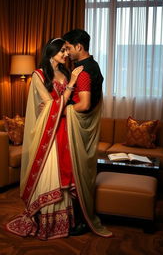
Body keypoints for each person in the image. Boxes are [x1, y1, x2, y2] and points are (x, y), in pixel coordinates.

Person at [6, 38, 84, 240]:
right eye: (63, 51)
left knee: (65, 172)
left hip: (65, 128)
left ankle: (64, 223)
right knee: (50, 172)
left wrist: (62, 102)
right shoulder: (38, 75)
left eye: (67, 51)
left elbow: (65, 103)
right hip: (49, 131)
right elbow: (50, 105)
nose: (66, 54)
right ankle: (46, 223)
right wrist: (70, 87)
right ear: (52, 51)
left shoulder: (65, 72)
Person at [62, 29, 112, 237]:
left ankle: (81, 221)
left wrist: (61, 109)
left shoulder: (83, 70)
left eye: (68, 48)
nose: (66, 53)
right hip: (86, 127)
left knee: (76, 172)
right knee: (80, 172)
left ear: (79, 47)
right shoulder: (94, 65)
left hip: (80, 125)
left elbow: (84, 105)